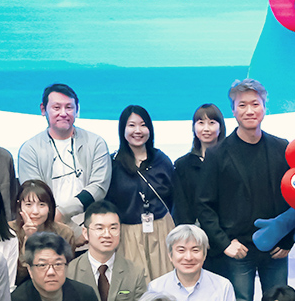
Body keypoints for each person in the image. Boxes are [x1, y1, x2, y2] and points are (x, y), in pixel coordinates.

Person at [196, 79, 293, 301]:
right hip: (238, 249)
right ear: (233, 110)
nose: (249, 111)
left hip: (275, 247)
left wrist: (289, 239)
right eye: (242, 105)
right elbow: (204, 205)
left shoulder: (282, 147)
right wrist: (224, 243)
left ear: (264, 107)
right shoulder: (217, 154)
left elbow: (294, 198)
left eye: (255, 104)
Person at [16, 82, 111, 228]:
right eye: (56, 107)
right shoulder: (29, 149)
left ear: (77, 110)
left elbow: (99, 187)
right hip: (48, 226)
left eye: (69, 107)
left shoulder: (96, 143)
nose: (63, 113)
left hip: (90, 226)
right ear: (43, 109)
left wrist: (63, 212)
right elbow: (33, 193)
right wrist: (54, 218)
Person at [104, 103, 179, 281]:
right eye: (131, 125)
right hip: (127, 234)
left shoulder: (162, 160)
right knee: (134, 285)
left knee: (165, 283)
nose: (137, 130)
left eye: (143, 125)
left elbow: (174, 198)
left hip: (161, 229)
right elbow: (108, 201)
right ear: (122, 129)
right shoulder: (112, 163)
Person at [68, 200, 148, 301]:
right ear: (85, 232)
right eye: (99, 228)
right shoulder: (71, 271)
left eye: (113, 228)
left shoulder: (135, 272)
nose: (107, 234)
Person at [11, 179, 83, 284]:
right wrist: (29, 239)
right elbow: (19, 275)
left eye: (41, 205)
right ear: (19, 207)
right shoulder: (10, 231)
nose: (35, 211)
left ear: (50, 207)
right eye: (29, 204)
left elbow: (66, 272)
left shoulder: (64, 233)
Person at [172, 104, 225, 228]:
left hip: (225, 231)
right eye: (201, 123)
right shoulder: (182, 165)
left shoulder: (229, 161)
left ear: (221, 127)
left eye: (211, 123)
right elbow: (181, 207)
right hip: (194, 232)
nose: (206, 129)